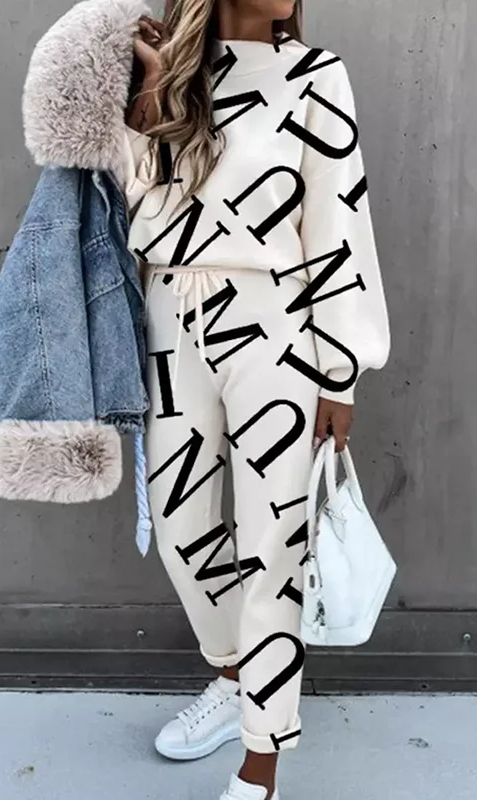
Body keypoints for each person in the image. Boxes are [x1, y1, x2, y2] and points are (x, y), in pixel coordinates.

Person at [123, 1, 391, 798]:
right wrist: (149, 95)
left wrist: (340, 371)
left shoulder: (316, 75)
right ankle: (239, 674)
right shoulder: (171, 74)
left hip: (275, 323)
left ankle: (260, 763)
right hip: (171, 313)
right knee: (180, 528)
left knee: (274, 547)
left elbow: (339, 224)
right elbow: (135, 204)